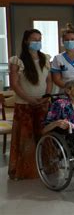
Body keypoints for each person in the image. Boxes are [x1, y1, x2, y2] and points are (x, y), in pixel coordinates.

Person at [8, 29, 52, 180]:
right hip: (24, 105)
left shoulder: (45, 59)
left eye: (39, 39)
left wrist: (46, 96)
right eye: (34, 39)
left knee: (44, 134)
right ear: (26, 41)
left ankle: (46, 166)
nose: (37, 42)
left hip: (42, 104)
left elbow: (49, 81)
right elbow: (14, 84)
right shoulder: (17, 60)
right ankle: (26, 170)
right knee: (25, 138)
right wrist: (29, 99)